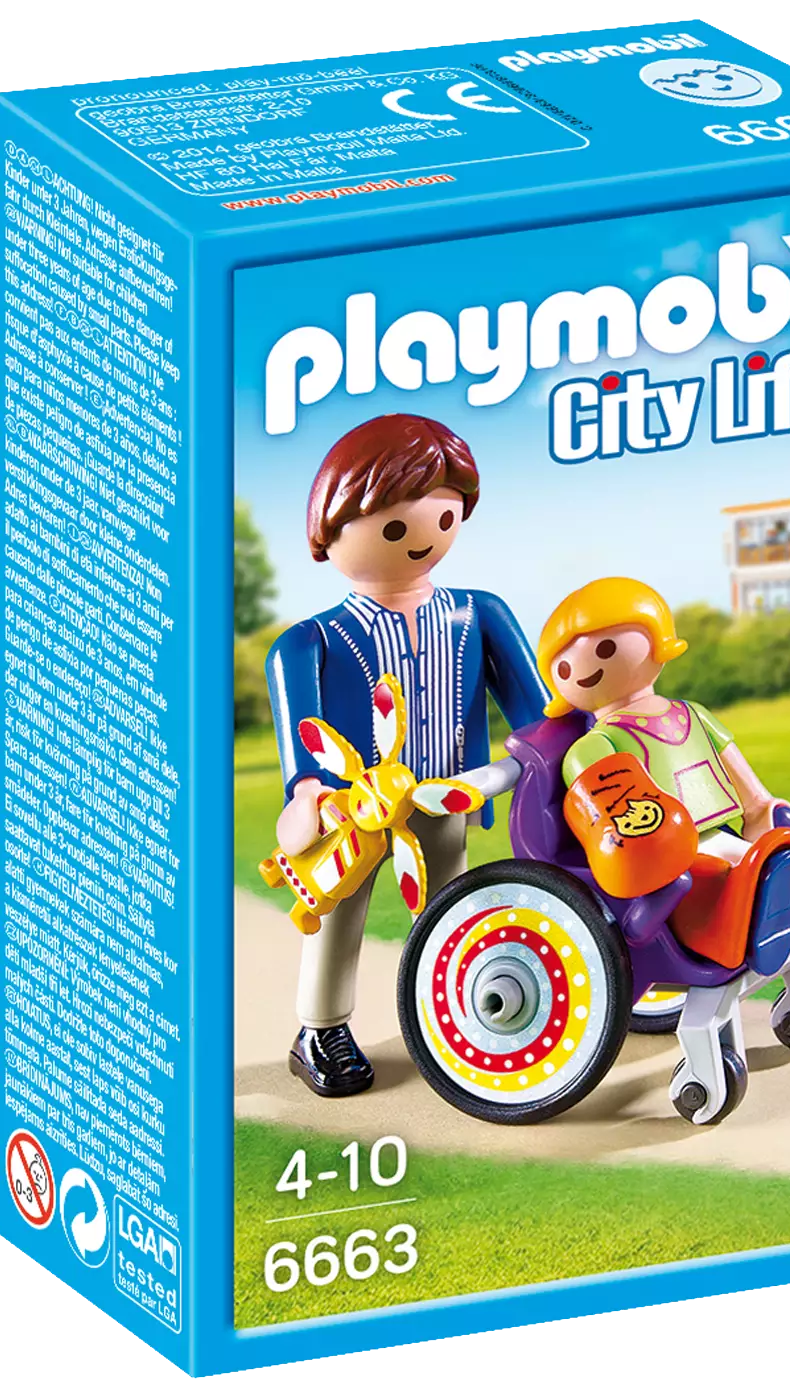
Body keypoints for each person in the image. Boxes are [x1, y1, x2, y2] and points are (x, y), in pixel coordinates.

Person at [264, 415, 550, 1097]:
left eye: (445, 518)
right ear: (331, 529)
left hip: (447, 796)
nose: (424, 538)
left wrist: (552, 756)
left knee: (450, 910)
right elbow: (302, 749)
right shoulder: (309, 642)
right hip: (355, 812)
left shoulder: (478, 614)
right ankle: (320, 1029)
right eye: (394, 527)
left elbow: (535, 712)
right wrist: (310, 796)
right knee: (338, 911)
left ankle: (448, 1015)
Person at [536, 577, 790, 971]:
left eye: (606, 649)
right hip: (674, 847)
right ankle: (772, 904)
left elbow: (730, 760)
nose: (585, 669)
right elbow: (610, 807)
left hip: (719, 826)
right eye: (564, 666)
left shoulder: (691, 713)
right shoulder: (595, 745)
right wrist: (654, 850)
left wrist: (760, 803)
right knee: (739, 863)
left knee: (769, 842)